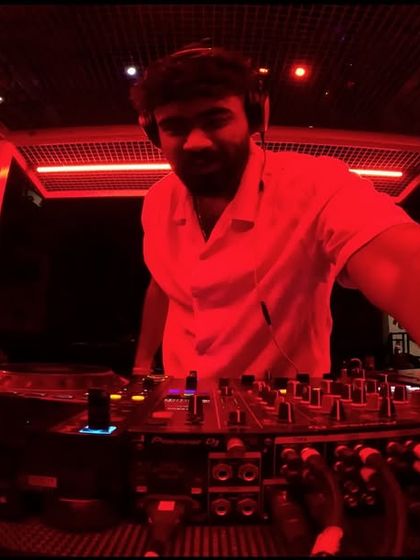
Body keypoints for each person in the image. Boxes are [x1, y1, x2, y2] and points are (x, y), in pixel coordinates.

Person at [129, 44, 420, 380]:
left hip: (283, 406)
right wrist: (141, 364)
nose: (196, 142)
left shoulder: (317, 185)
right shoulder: (158, 199)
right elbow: (163, 286)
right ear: (154, 133)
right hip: (182, 396)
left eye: (215, 120)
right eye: (175, 127)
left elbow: (400, 265)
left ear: (255, 118)